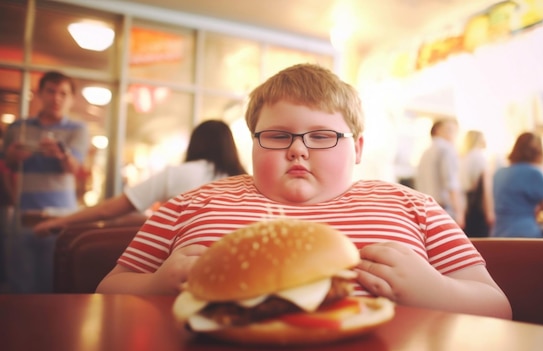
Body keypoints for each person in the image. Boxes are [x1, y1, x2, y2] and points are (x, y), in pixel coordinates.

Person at [97, 63, 512, 319]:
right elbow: (109, 289)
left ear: (358, 149)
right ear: (252, 144)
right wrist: (156, 285)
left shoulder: (412, 206)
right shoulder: (191, 203)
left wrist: (435, 291)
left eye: (321, 136)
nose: (297, 149)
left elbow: (496, 306)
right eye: (278, 136)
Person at [33, 120, 247, 236]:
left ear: (195, 144)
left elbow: (109, 210)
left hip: (179, 272)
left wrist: (61, 221)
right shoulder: (245, 181)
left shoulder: (177, 174)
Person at [3, 71, 89, 293]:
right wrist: (12, 156)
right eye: (50, 91)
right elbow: (7, 165)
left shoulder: (78, 129)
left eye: (63, 93)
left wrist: (62, 155)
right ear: (39, 93)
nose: (56, 98)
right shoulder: (18, 128)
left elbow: (75, 168)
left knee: (55, 281)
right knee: (20, 285)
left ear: (71, 99)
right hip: (23, 215)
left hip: (61, 216)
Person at [492, 132, 543, 238]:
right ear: (538, 152)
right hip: (525, 237)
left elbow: (513, 205)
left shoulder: (499, 173)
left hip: (497, 235)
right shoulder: (533, 173)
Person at [414, 118, 465, 227]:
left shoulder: (425, 152)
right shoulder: (447, 149)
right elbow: (451, 182)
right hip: (444, 210)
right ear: (437, 130)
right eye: (449, 129)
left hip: (424, 210)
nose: (453, 134)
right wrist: (459, 212)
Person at [460, 130, 495, 237]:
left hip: (466, 206)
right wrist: (489, 212)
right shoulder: (480, 157)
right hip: (478, 207)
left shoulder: (463, 158)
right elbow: (485, 188)